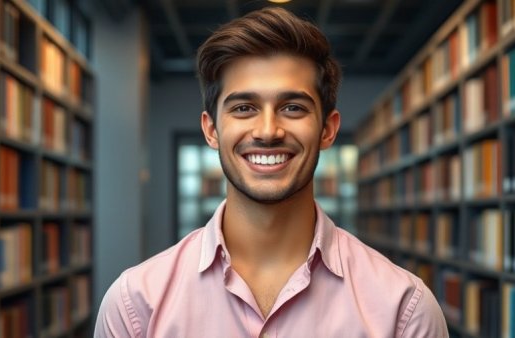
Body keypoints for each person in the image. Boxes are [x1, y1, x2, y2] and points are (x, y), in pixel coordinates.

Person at [95, 7, 449, 338]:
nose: (267, 130)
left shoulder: (404, 310)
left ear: (327, 129)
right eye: (244, 107)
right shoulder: (135, 306)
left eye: (292, 107)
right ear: (211, 130)